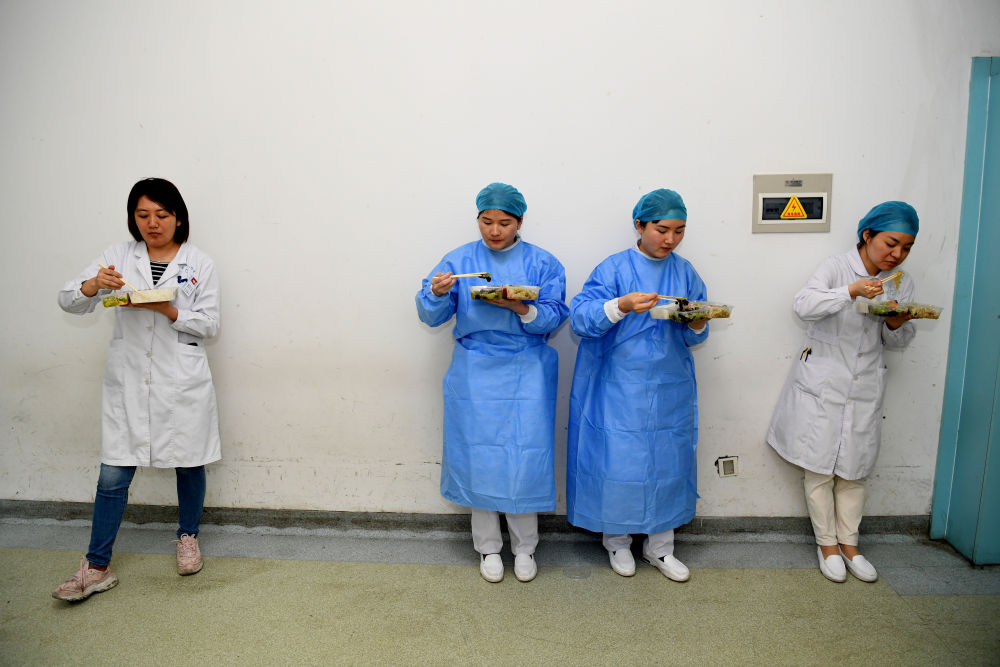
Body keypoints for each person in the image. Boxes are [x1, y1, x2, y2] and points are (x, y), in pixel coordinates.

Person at [52, 178, 221, 601]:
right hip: (129, 380)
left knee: (189, 462)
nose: (152, 223)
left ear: (177, 217)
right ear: (133, 218)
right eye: (143, 215)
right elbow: (68, 299)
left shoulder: (199, 263)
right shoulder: (117, 257)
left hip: (180, 379)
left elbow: (209, 324)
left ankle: (187, 536)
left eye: (161, 214)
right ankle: (97, 565)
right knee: (113, 473)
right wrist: (94, 285)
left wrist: (167, 309)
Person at [415, 182, 568, 583]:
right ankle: (488, 548)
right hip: (475, 370)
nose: (495, 231)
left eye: (504, 223)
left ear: (520, 222)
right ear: (478, 219)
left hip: (527, 368)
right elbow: (431, 315)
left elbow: (554, 316)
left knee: (524, 458)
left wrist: (519, 306)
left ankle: (525, 547)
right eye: (486, 222)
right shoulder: (459, 261)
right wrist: (436, 293)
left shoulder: (544, 263)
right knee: (478, 458)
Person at [767, 201, 919, 583]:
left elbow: (898, 342)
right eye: (891, 243)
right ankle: (827, 545)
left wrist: (897, 323)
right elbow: (803, 305)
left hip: (865, 383)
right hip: (823, 381)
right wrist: (850, 291)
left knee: (855, 470)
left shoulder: (901, 281)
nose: (897, 254)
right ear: (867, 235)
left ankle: (850, 545)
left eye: (906, 247)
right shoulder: (835, 267)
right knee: (818, 469)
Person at [566, 188, 708, 581]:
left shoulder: (686, 273)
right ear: (639, 225)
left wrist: (698, 322)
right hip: (617, 386)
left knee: (667, 463)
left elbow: (695, 334)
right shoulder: (612, 269)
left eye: (679, 231)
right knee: (618, 463)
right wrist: (622, 306)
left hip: (668, 386)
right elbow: (580, 319)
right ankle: (617, 541)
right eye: (662, 229)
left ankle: (661, 548)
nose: (670, 239)